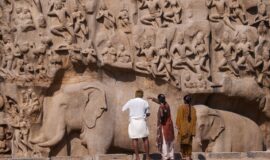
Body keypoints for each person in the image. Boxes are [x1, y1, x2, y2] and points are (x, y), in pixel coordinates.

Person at [122, 89, 151, 160]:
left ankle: (137, 157)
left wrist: (131, 110)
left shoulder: (130, 101)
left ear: (135, 94)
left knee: (135, 139)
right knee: (145, 139)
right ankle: (147, 157)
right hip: (142, 121)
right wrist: (144, 114)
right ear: (142, 95)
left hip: (133, 122)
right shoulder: (145, 102)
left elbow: (123, 109)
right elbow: (148, 113)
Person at [148, 94, 174, 160]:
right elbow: (161, 102)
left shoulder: (162, 107)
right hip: (170, 125)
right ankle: (171, 156)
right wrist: (152, 98)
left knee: (165, 141)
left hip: (164, 126)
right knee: (170, 141)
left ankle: (165, 157)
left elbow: (162, 116)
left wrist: (160, 121)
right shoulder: (166, 104)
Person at [176, 95, 197, 160]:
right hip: (190, 129)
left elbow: (179, 118)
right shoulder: (193, 109)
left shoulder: (181, 108)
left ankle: (184, 156)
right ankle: (189, 156)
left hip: (183, 129)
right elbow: (194, 120)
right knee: (189, 143)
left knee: (182, 143)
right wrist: (193, 130)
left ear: (184, 100)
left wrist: (178, 127)